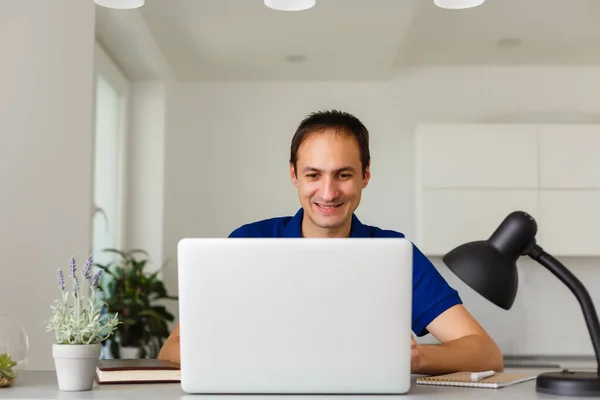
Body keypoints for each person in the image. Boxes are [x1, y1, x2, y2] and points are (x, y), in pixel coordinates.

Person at [158, 110, 504, 375]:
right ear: (294, 175)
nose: (328, 192)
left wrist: (417, 357)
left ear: (365, 175)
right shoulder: (247, 242)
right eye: (313, 175)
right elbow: (172, 349)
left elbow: (486, 353)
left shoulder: (395, 254)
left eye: (343, 174)